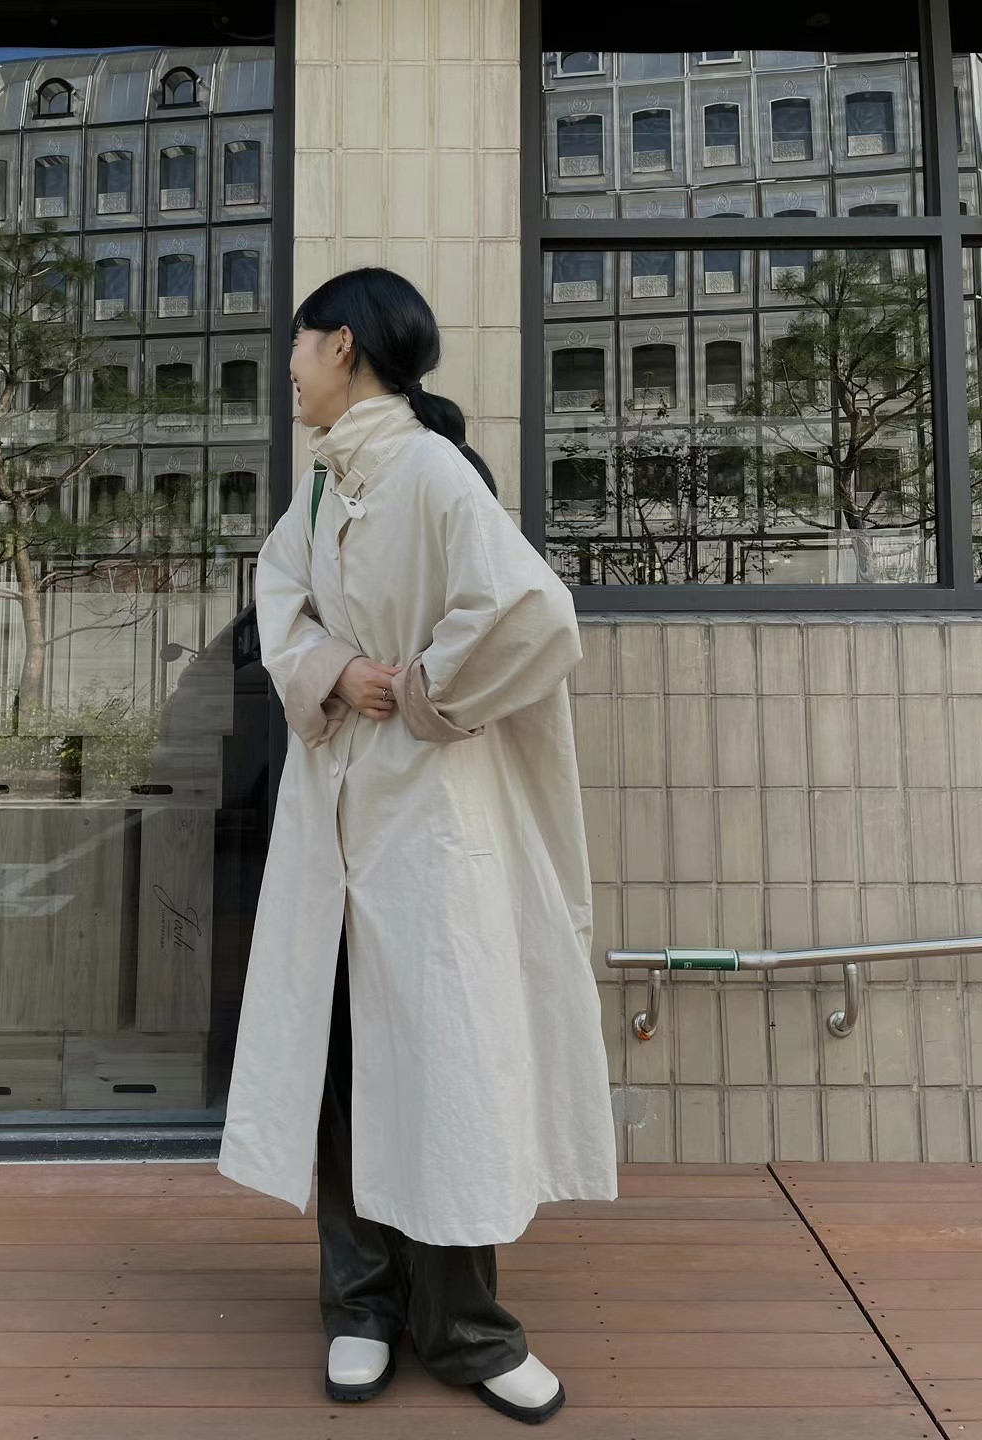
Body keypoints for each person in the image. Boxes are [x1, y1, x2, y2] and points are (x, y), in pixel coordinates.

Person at [216, 266, 619, 1426]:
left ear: (341, 346)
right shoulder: (324, 483)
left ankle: (468, 1330)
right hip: (341, 815)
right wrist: (339, 669)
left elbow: (533, 612)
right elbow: (279, 597)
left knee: (445, 1067)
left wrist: (428, 693)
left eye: (300, 345)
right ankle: (361, 1307)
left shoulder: (432, 471)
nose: (290, 368)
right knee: (349, 1062)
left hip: (430, 821)